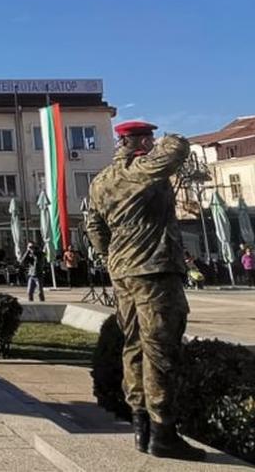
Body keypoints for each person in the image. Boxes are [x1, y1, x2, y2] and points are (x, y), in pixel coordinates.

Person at [86, 119, 205, 461]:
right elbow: (178, 149)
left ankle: (140, 426)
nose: (153, 143)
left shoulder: (101, 180)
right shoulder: (142, 169)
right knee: (160, 349)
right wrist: (166, 138)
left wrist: (111, 256)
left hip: (123, 271)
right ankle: (163, 431)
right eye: (148, 138)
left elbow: (94, 225)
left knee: (134, 345)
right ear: (137, 141)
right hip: (153, 270)